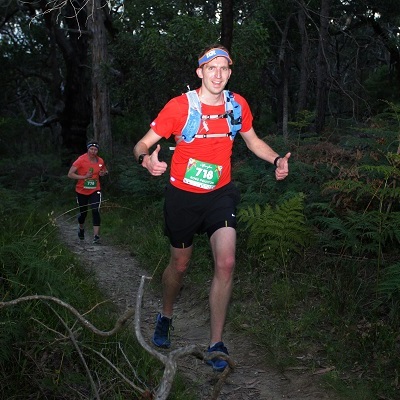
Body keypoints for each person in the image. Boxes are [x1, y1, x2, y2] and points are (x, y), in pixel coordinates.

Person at [133, 44, 290, 372]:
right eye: (211, 68)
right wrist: (145, 160)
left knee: (227, 262)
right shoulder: (179, 108)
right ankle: (166, 315)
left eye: (224, 68)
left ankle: (215, 343)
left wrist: (276, 158)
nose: (217, 74)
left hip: (220, 193)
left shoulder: (237, 105)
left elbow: (253, 140)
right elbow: (144, 143)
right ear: (200, 72)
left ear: (229, 72)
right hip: (182, 198)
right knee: (180, 265)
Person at [68, 140, 108, 244]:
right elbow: (70, 174)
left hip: (95, 190)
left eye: (95, 150)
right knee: (83, 214)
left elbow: (104, 170)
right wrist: (83, 177)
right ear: (88, 149)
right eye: (91, 149)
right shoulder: (81, 160)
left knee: (95, 210)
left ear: (97, 151)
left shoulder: (100, 161)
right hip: (82, 190)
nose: (93, 151)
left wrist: (104, 173)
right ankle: (81, 228)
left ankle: (96, 236)